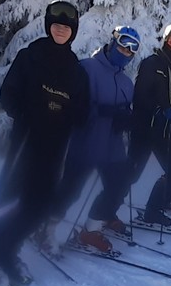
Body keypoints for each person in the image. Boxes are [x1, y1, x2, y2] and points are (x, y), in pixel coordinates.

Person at [0, 0, 89, 286]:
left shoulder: (76, 70)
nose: (60, 30)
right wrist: (25, 113)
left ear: (73, 32)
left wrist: (69, 116)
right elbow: (8, 93)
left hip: (54, 147)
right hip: (26, 142)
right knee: (8, 203)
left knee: (38, 206)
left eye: (66, 28)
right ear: (49, 27)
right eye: (56, 25)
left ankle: (8, 253)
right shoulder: (31, 56)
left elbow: (83, 111)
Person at [48, 26, 140, 254]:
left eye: (132, 50)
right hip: (86, 142)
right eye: (123, 45)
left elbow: (126, 111)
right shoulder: (87, 68)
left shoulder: (127, 82)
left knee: (119, 186)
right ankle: (45, 228)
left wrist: (127, 120)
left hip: (113, 146)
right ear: (113, 42)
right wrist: (102, 112)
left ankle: (91, 229)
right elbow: (71, 105)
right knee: (71, 190)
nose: (126, 52)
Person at [127, 23, 171, 227]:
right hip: (144, 128)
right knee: (130, 174)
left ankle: (154, 210)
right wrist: (158, 109)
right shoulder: (152, 63)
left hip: (163, 131)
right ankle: (103, 213)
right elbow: (140, 95)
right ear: (166, 40)